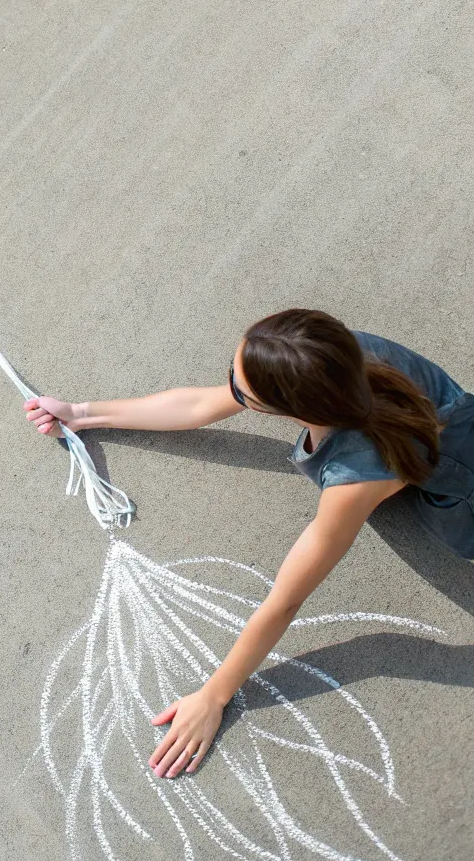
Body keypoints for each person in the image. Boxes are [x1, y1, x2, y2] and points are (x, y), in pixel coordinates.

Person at [26, 308, 474, 780]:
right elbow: (201, 405)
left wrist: (214, 695)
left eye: (244, 393)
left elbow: (285, 599)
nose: (231, 390)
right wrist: (82, 414)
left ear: (300, 410)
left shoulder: (356, 475)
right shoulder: (330, 353)